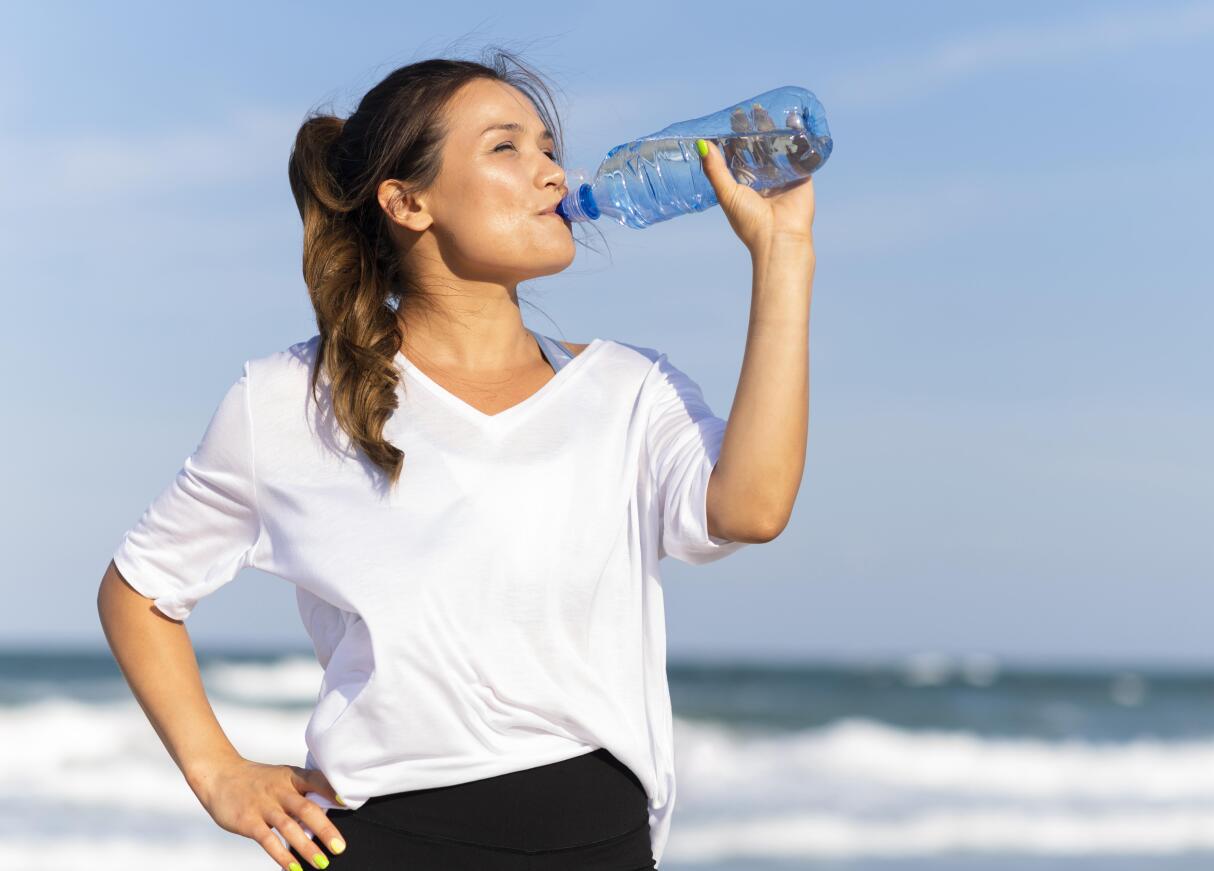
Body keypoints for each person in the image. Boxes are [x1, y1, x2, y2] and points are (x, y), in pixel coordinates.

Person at [97, 47, 815, 871]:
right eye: (506, 147)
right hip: (380, 844)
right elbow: (141, 590)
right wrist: (218, 772)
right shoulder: (289, 398)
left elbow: (751, 509)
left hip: (600, 847)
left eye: (547, 147)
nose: (550, 172)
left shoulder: (629, 388)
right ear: (407, 201)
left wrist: (783, 255)